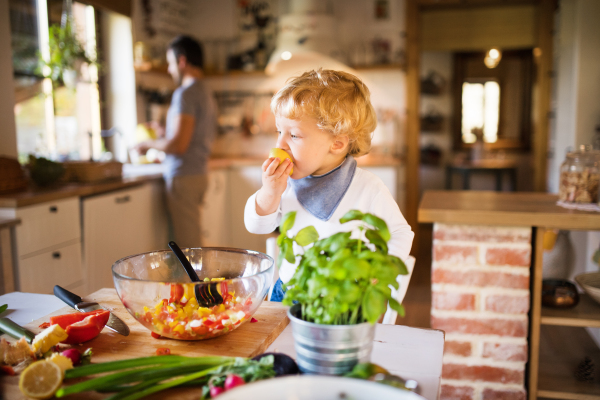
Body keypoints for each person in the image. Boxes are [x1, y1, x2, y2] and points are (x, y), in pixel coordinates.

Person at [244, 69, 414, 301]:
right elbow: (257, 226)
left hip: (340, 299)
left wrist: (379, 272)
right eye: (279, 131)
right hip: (288, 293)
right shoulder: (286, 183)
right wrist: (269, 192)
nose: (280, 143)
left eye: (294, 135)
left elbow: (400, 233)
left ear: (336, 143)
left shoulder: (368, 188)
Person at [135, 35, 216, 248]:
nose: (170, 70)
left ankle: (198, 283)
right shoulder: (205, 92)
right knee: (192, 243)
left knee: (188, 249)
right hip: (197, 173)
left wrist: (147, 145)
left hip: (184, 176)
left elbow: (178, 145)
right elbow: (189, 135)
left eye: (170, 63)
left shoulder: (185, 94)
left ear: (182, 61)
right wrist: (164, 133)